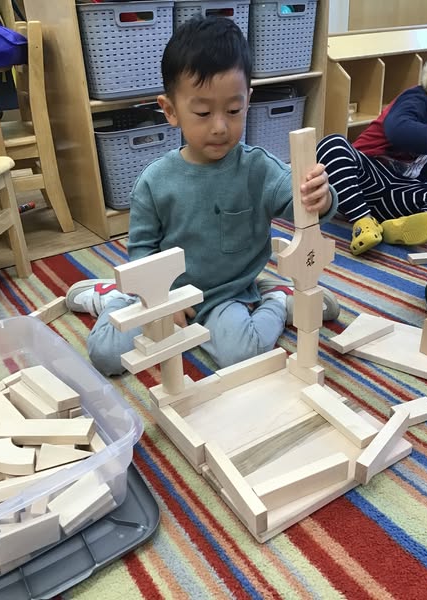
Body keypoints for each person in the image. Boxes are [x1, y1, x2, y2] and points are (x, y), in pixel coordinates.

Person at [65, 16, 340, 376]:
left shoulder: (259, 168)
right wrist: (156, 300)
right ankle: (110, 297)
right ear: (170, 110)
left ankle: (276, 298)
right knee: (105, 355)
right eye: (203, 112)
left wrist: (322, 196)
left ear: (248, 101)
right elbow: (141, 252)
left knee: (244, 357)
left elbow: (304, 208)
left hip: (228, 294)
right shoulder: (155, 181)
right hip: (166, 294)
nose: (220, 126)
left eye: (233, 110)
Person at [316, 51, 427, 256]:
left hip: (397, 192)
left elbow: (426, 167)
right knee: (333, 144)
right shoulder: (417, 98)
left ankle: (399, 227)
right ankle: (363, 221)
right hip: (364, 181)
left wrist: (425, 192)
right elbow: (398, 131)